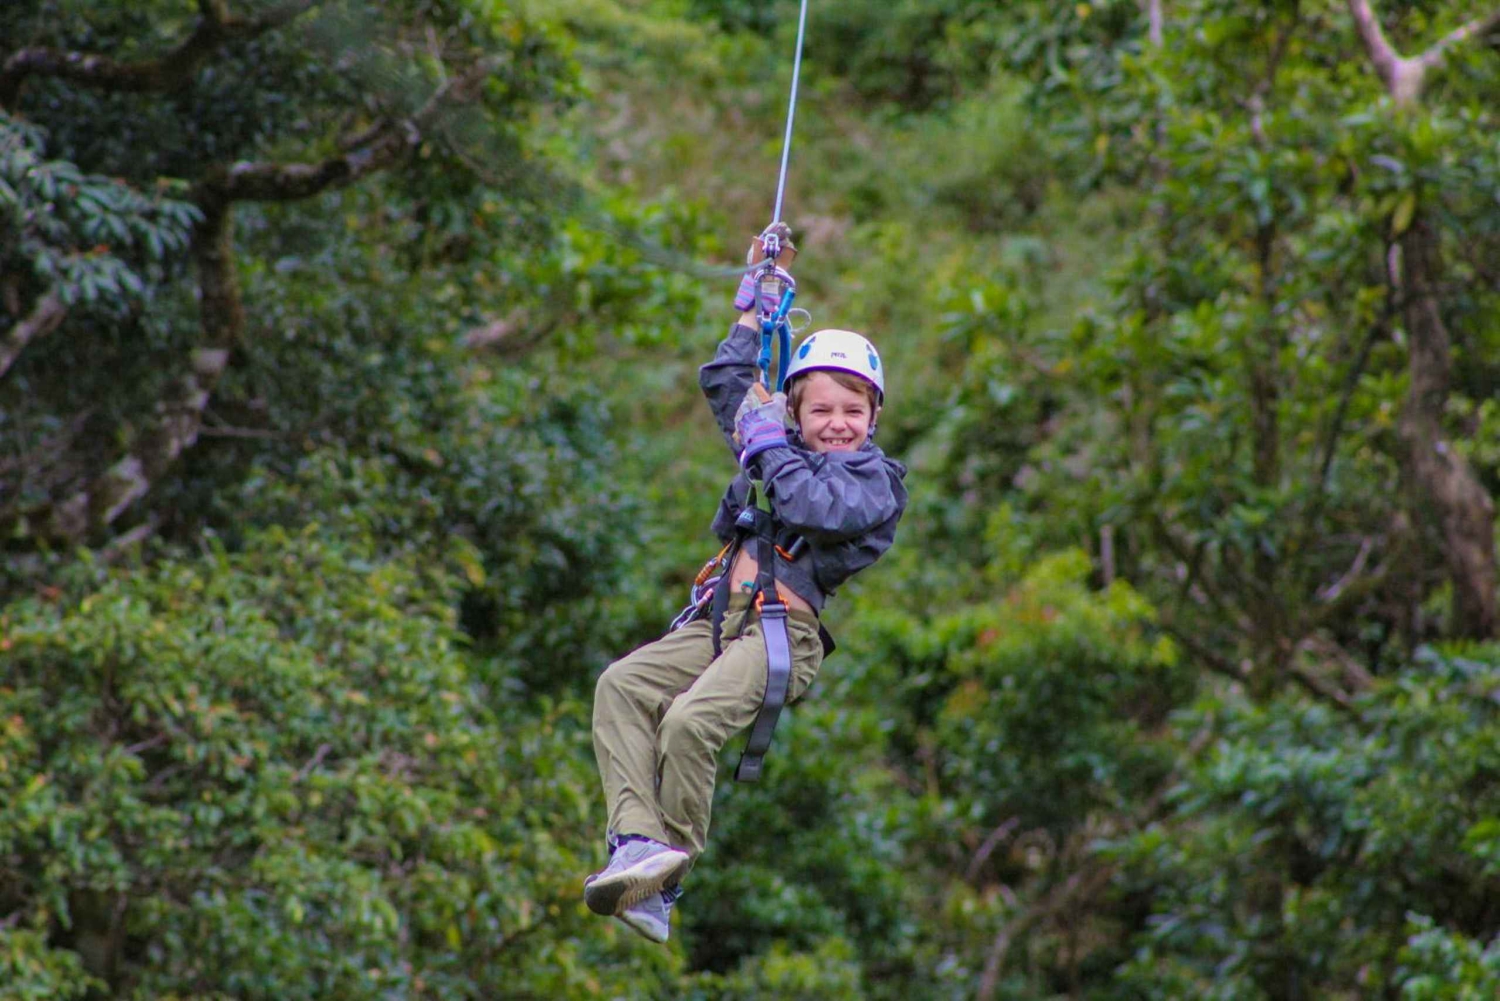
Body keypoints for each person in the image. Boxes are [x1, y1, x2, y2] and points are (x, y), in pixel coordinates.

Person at [585, 224, 908, 943]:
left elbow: (814, 506)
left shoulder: (874, 483)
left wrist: (768, 443)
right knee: (622, 687)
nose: (837, 424)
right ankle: (636, 843)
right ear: (797, 408)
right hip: (718, 621)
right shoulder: (775, 440)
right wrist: (756, 307)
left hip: (779, 630)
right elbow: (730, 383)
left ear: (875, 417)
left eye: (854, 412)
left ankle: (668, 877)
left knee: (689, 723)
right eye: (821, 409)